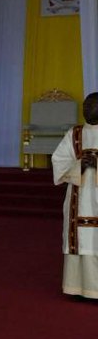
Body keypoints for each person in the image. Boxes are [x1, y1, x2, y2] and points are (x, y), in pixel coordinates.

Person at [53, 91, 98, 299]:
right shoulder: (75, 134)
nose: (86, 110)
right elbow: (59, 160)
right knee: (80, 238)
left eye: (91, 106)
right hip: (79, 198)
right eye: (85, 106)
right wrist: (79, 165)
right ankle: (78, 287)